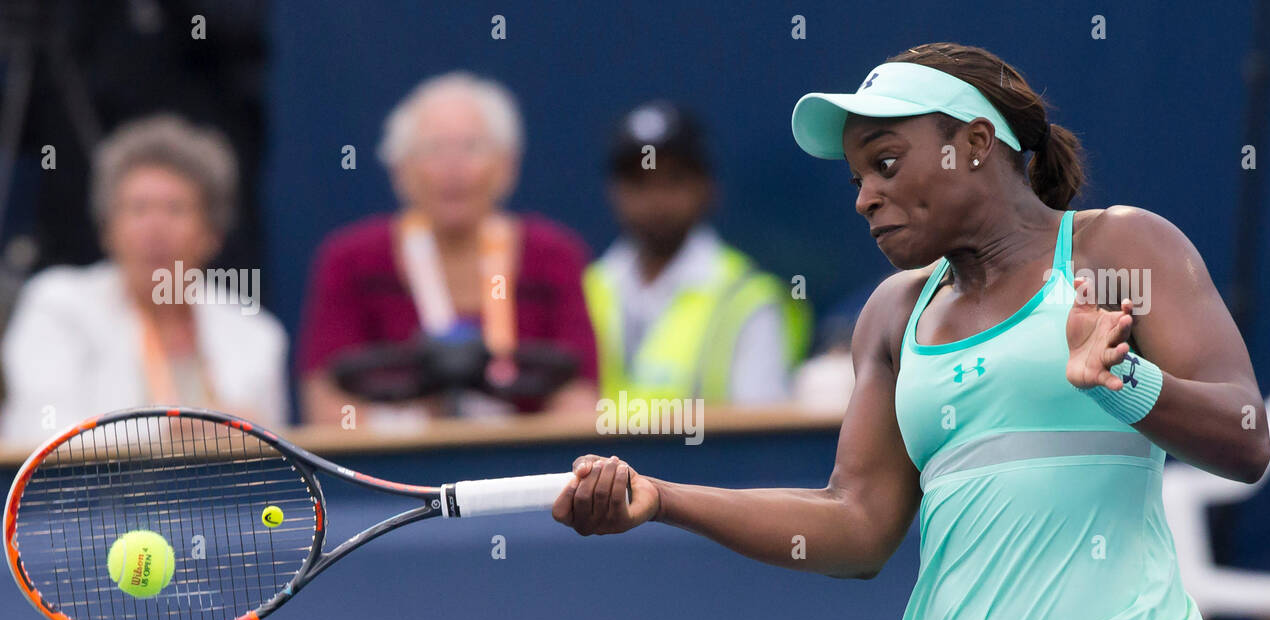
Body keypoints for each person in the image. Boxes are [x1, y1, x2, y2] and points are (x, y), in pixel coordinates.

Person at [551, 42, 1270, 620]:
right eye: (857, 176)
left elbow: (1246, 437)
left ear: (976, 143)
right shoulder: (894, 314)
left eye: (887, 163)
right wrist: (663, 501)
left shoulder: (1121, 250)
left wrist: (1127, 381)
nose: (865, 197)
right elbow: (856, 525)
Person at [295, 72, 598, 428]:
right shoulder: (350, 261)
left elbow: (581, 401)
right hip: (396, 477)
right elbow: (327, 407)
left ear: (507, 166)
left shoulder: (554, 257)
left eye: (471, 148)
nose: (453, 169)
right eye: (433, 150)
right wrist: (412, 433)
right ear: (399, 170)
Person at [1, 114, 288, 444]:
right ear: (108, 229)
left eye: (175, 209)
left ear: (212, 233)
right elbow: (43, 436)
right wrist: (176, 433)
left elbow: (274, 464)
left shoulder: (256, 334)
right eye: (138, 209)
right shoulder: (56, 306)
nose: (155, 229)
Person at [583, 101, 810, 406]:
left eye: (674, 180)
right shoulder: (585, 290)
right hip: (596, 456)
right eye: (639, 183)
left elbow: (761, 434)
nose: (656, 199)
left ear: (707, 188)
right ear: (615, 192)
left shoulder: (749, 299)